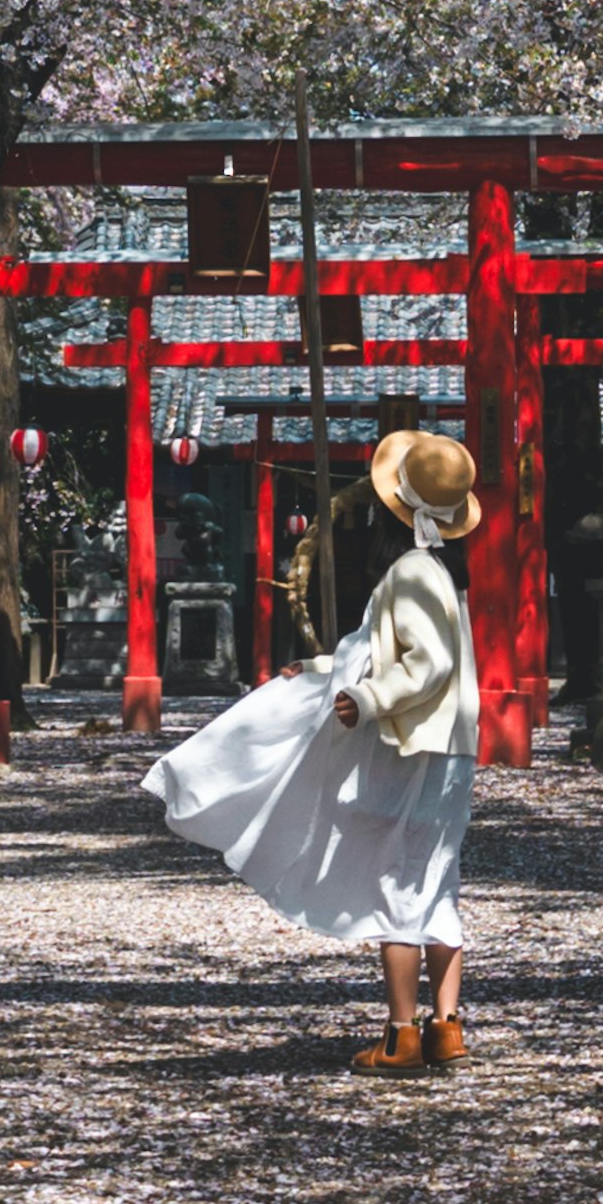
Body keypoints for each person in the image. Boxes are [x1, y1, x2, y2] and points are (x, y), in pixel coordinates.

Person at [144, 427, 481, 1071]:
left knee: (399, 886)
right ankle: (447, 1026)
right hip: (451, 746)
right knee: (438, 884)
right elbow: (395, 655)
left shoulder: (410, 570)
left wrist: (369, 700)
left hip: (413, 751)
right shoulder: (442, 573)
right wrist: (323, 669)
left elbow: (427, 664)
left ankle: (401, 1034)